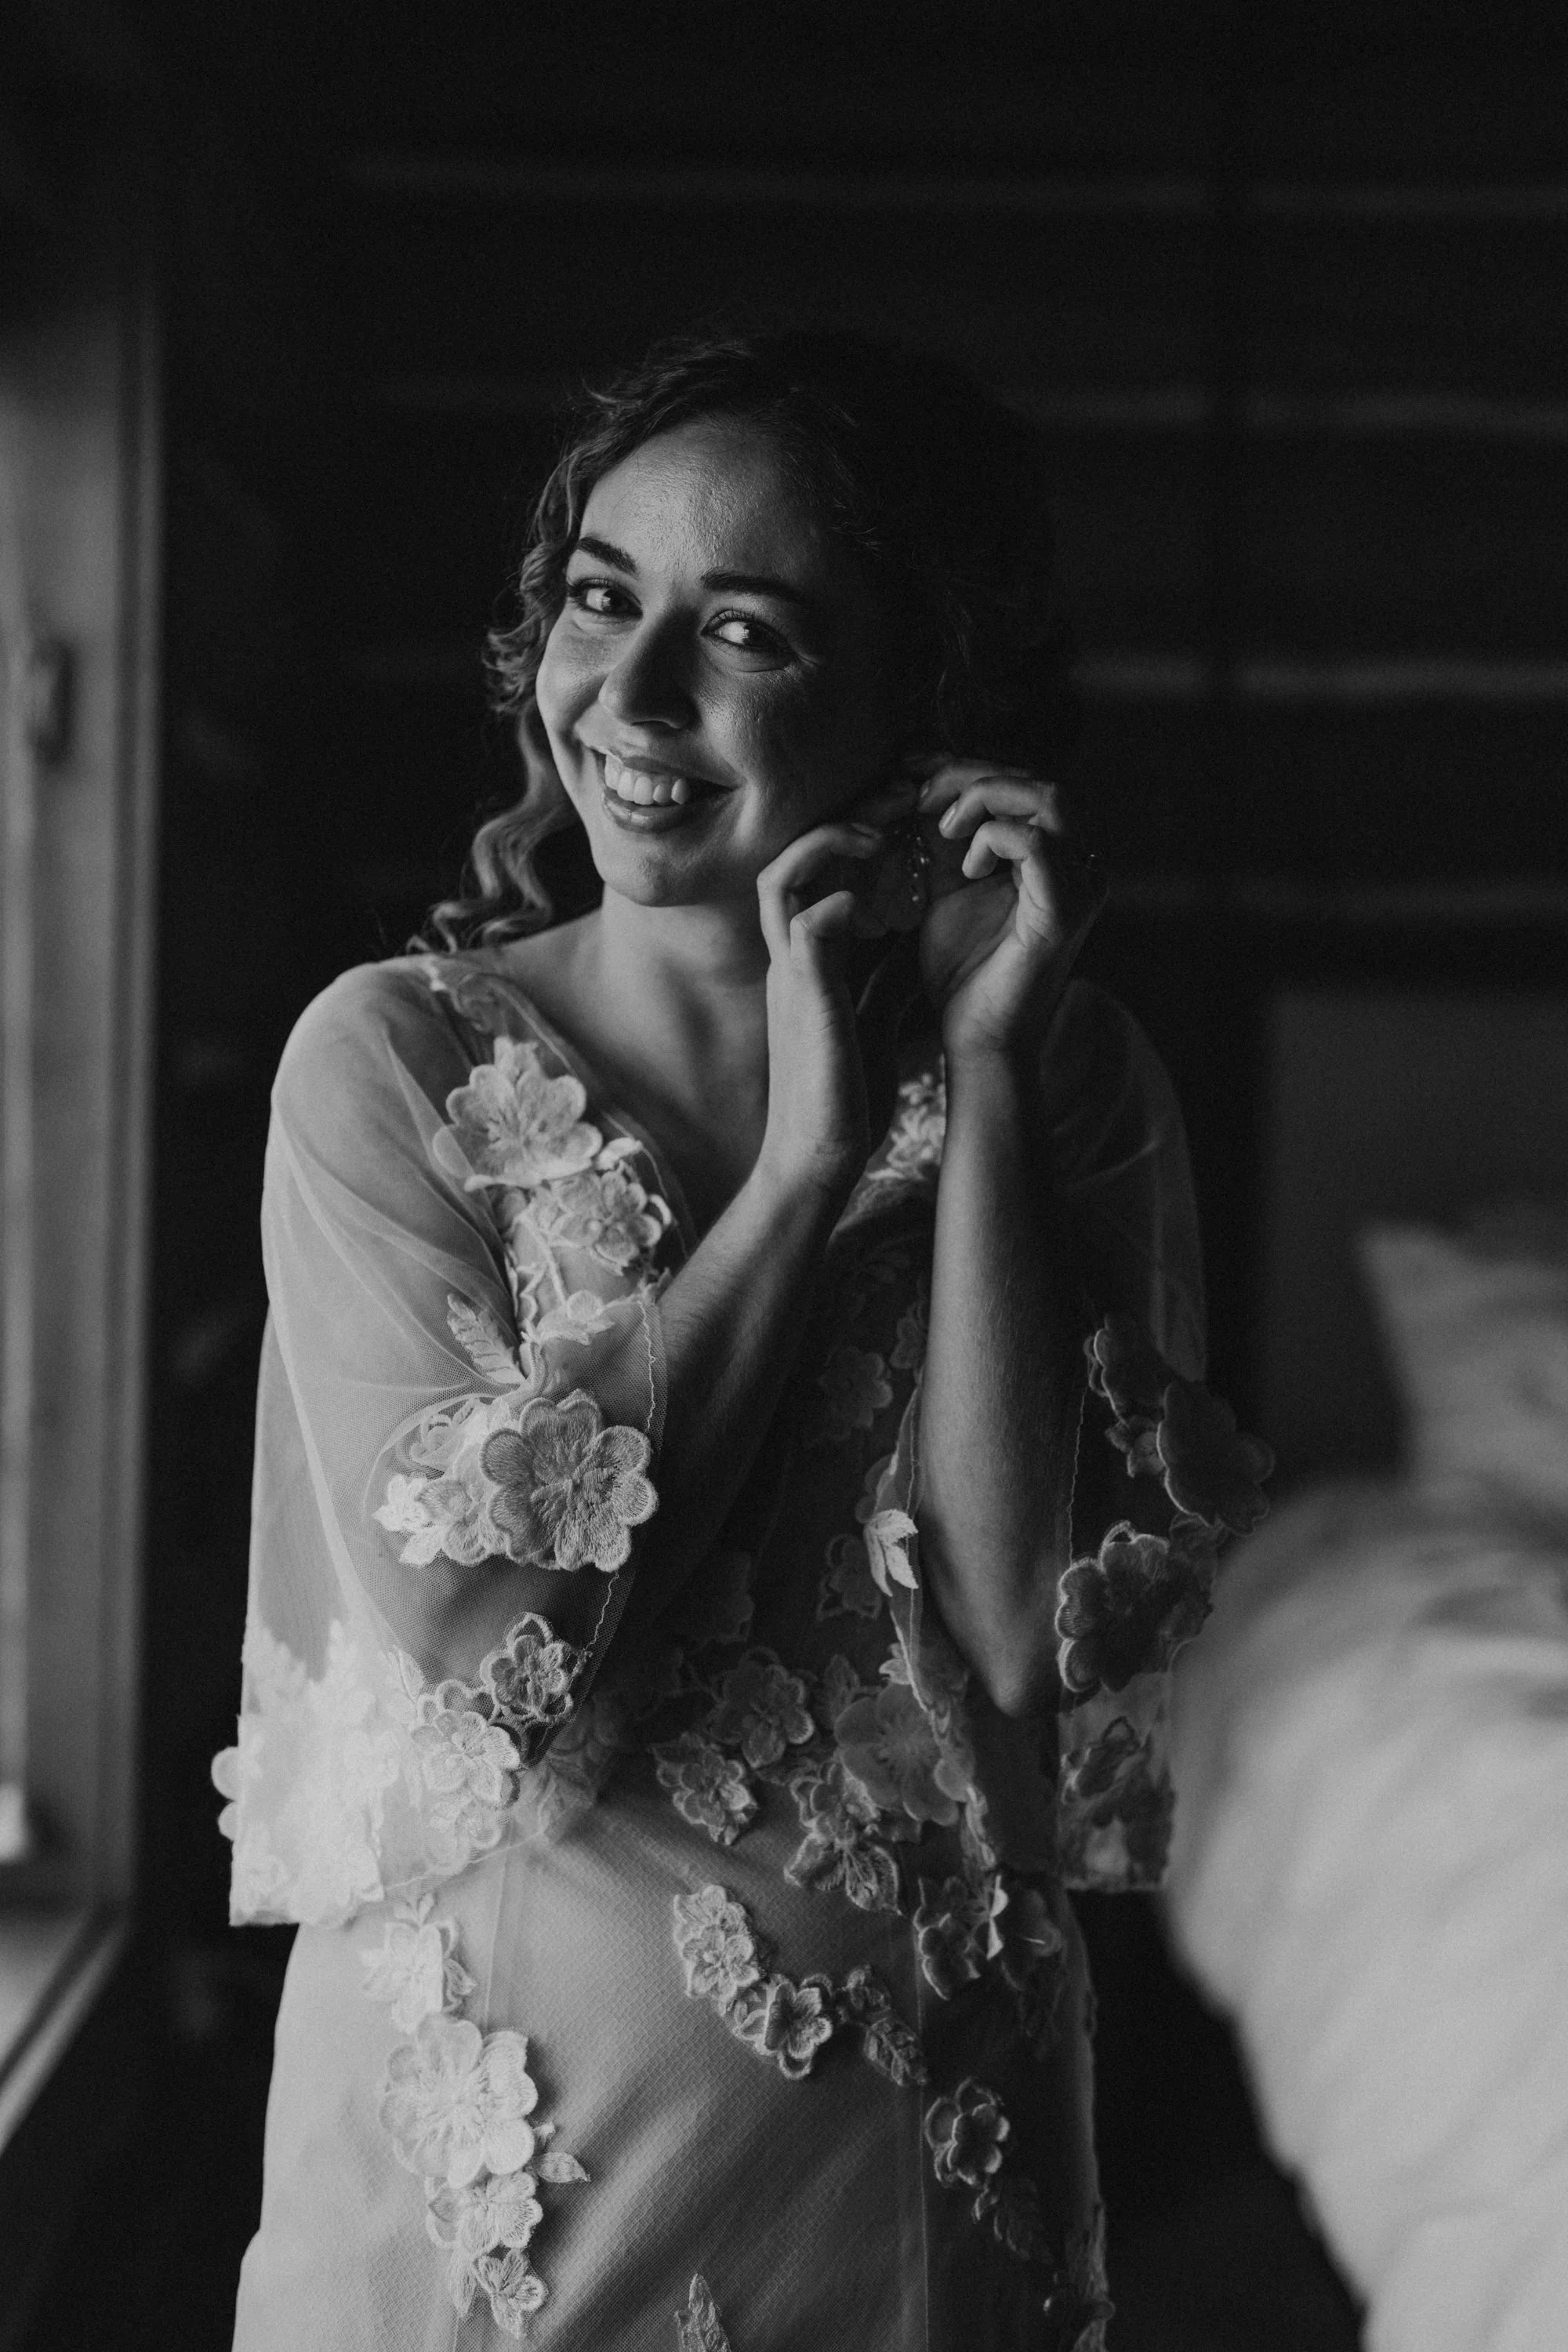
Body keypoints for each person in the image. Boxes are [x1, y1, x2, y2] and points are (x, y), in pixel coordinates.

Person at [216, 329, 1269, 2352]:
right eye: (603, 599)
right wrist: (802, 1169)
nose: (634, 696)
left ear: (920, 700)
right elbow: (493, 1647)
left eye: (750, 634)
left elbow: (1023, 1641)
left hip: (920, 2193)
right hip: (508, 2209)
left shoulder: (1070, 1077)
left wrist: (969, 1085)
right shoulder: (394, 1063)